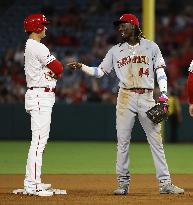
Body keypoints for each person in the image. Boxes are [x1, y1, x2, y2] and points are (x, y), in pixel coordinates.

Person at [67, 13, 184, 195]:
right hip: (125, 97)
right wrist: (83, 67)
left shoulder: (151, 47)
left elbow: (160, 72)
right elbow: (99, 72)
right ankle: (122, 183)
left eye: (123, 25)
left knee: (156, 142)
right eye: (118, 26)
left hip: (146, 97)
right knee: (122, 142)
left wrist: (163, 96)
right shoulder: (115, 51)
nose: (120, 28)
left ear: (134, 25)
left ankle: (165, 183)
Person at [23, 14, 64, 196]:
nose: (46, 28)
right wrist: (53, 72)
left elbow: (55, 71)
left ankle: (33, 181)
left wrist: (51, 72)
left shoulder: (31, 46)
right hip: (40, 95)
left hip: (39, 94)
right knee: (38, 142)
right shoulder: (37, 46)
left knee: (39, 142)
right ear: (37, 27)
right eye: (44, 25)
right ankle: (32, 185)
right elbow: (59, 68)